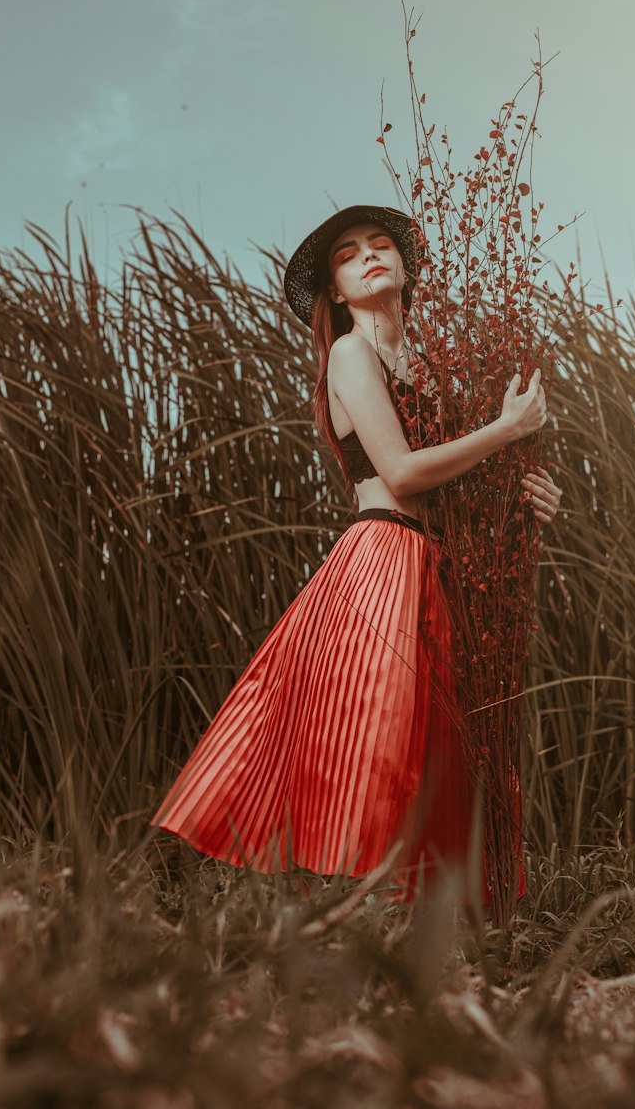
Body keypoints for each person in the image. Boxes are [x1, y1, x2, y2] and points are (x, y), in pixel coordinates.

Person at [150, 203, 561, 900]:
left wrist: (529, 500)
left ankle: (431, 914)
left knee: (434, 747)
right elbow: (400, 475)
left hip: (439, 567)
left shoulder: (431, 370)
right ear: (335, 292)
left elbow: (453, 487)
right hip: (384, 562)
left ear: (405, 270)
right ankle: (336, 906)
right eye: (348, 254)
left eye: (381, 246)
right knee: (378, 738)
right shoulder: (349, 352)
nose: (370, 255)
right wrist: (502, 430)